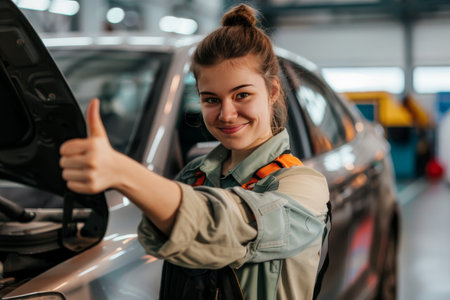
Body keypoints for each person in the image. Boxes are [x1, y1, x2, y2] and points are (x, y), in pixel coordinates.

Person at [59, 4, 329, 300]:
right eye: (211, 99)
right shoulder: (193, 175)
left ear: (273, 91)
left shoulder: (304, 185)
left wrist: (123, 172)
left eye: (242, 95)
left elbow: (225, 225)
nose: (226, 114)